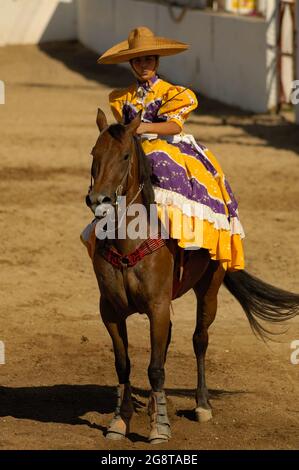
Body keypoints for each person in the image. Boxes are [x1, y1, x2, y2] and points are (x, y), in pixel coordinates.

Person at [83, 26, 245, 271]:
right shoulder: (122, 97)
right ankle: (106, 216)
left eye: (148, 58)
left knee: (158, 159)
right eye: (138, 60)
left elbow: (174, 126)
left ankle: (182, 236)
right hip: (135, 147)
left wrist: (143, 128)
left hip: (166, 146)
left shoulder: (172, 92)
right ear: (131, 63)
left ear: (157, 60)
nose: (144, 64)